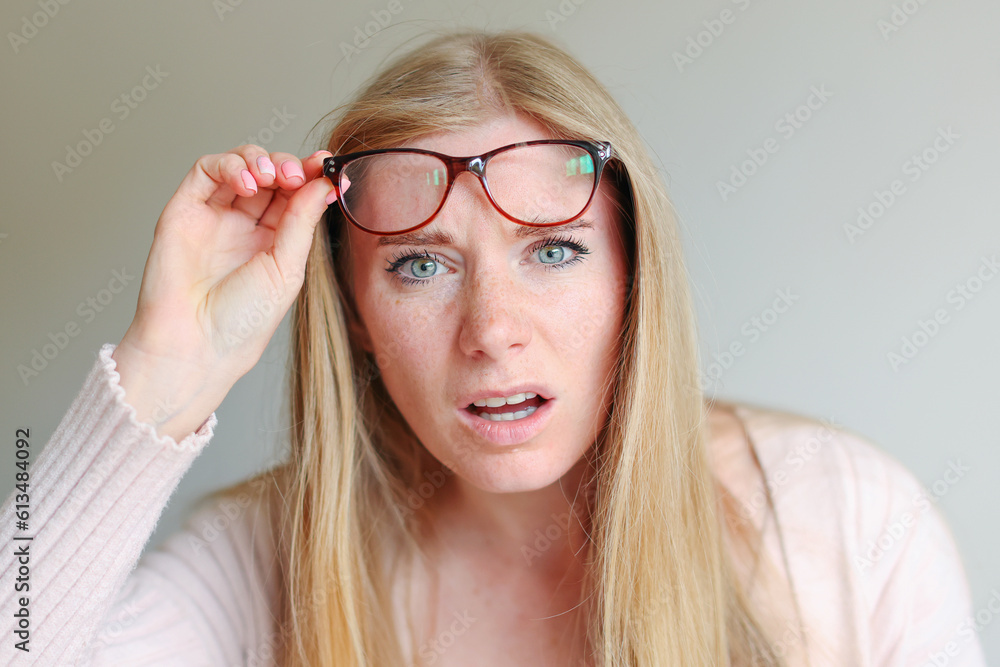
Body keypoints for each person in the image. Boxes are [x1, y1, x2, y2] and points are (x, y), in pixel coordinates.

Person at [0, 29, 986, 667]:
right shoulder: (265, 561)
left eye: (553, 250)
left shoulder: (849, 522)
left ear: (633, 277)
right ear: (352, 309)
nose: (492, 330)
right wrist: (165, 374)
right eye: (420, 265)